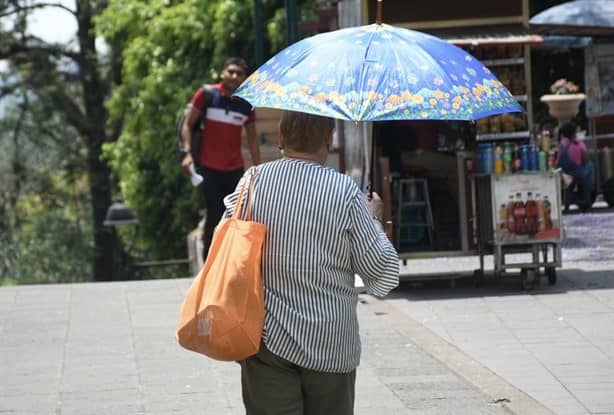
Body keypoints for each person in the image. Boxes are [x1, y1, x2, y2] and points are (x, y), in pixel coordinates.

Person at [222, 110, 400, 415]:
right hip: (330, 342)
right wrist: (373, 218)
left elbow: (225, 242)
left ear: (281, 137)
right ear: (328, 140)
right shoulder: (344, 192)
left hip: (266, 338)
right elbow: (382, 271)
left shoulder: (252, 182)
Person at [180, 57, 260, 260]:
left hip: (234, 169)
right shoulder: (207, 94)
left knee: (236, 216)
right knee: (214, 214)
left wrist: (259, 169)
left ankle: (230, 260)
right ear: (222, 73)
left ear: (244, 78)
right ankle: (209, 261)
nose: (234, 76)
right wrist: (187, 154)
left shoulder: (246, 104)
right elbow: (187, 125)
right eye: (230, 71)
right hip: (209, 168)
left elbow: (252, 138)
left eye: (239, 74)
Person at [556, 121, 595, 210]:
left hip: (565, 174)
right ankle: (587, 196)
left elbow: (558, 161)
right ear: (574, 133)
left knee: (570, 182)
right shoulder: (578, 144)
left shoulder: (561, 143)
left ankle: (567, 204)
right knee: (590, 166)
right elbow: (585, 159)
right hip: (578, 173)